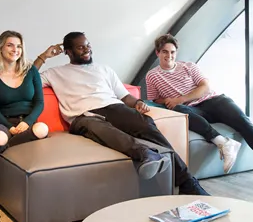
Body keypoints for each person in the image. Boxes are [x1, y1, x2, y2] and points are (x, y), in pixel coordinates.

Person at [34, 32, 209, 196]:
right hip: (83, 116)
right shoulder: (55, 73)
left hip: (113, 106)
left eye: (88, 45)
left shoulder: (104, 69)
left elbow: (124, 96)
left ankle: (187, 182)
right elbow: (27, 81)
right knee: (105, 131)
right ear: (68, 52)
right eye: (80, 47)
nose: (87, 49)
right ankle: (145, 154)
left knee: (145, 123)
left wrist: (138, 103)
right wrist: (44, 56)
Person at [145, 34, 253, 177]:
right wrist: (170, 101)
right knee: (180, 110)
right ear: (158, 53)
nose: (169, 55)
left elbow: (204, 87)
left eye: (172, 52)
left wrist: (179, 98)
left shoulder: (189, 66)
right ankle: (223, 142)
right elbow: (153, 100)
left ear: (176, 52)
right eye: (165, 52)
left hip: (214, 101)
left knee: (243, 121)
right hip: (193, 110)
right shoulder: (152, 76)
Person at [0, 31, 49, 179]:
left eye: (19, 46)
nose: (15, 50)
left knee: (42, 129)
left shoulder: (31, 71)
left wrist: (27, 122)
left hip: (27, 123)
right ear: (0, 48)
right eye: (10, 45)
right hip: (3, 122)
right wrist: (9, 127)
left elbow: (39, 103)